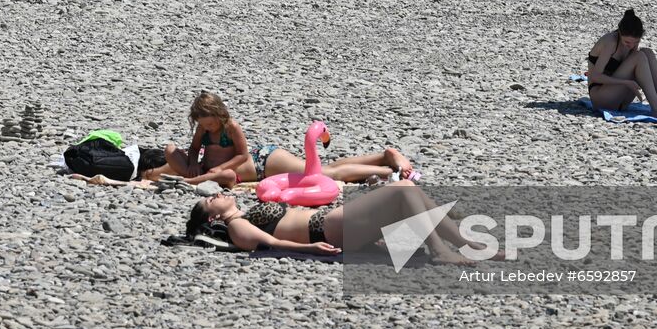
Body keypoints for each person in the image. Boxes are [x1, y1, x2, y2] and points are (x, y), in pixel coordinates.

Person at [156, 91, 419, 185]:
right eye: (204, 123)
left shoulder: (230, 126)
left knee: (320, 174)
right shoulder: (203, 129)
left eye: (211, 122)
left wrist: (215, 170)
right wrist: (191, 162)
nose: (208, 127)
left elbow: (243, 156)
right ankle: (383, 156)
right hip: (251, 167)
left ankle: (387, 167)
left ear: (219, 115)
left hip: (262, 162)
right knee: (323, 169)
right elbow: (191, 149)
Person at [187, 180, 488, 261]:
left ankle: (463, 242)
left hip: (331, 223)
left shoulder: (245, 214)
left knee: (409, 194)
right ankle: (441, 250)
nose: (217, 195)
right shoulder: (238, 225)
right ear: (213, 216)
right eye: (211, 199)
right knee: (402, 190)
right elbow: (272, 244)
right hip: (326, 229)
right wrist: (310, 249)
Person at [585, 9, 657, 120]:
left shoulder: (631, 44)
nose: (631, 46)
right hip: (601, 98)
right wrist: (626, 83)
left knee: (647, 52)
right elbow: (595, 76)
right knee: (639, 57)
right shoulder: (610, 42)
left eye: (636, 42)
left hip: (620, 100)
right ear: (619, 33)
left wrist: (630, 83)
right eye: (627, 42)